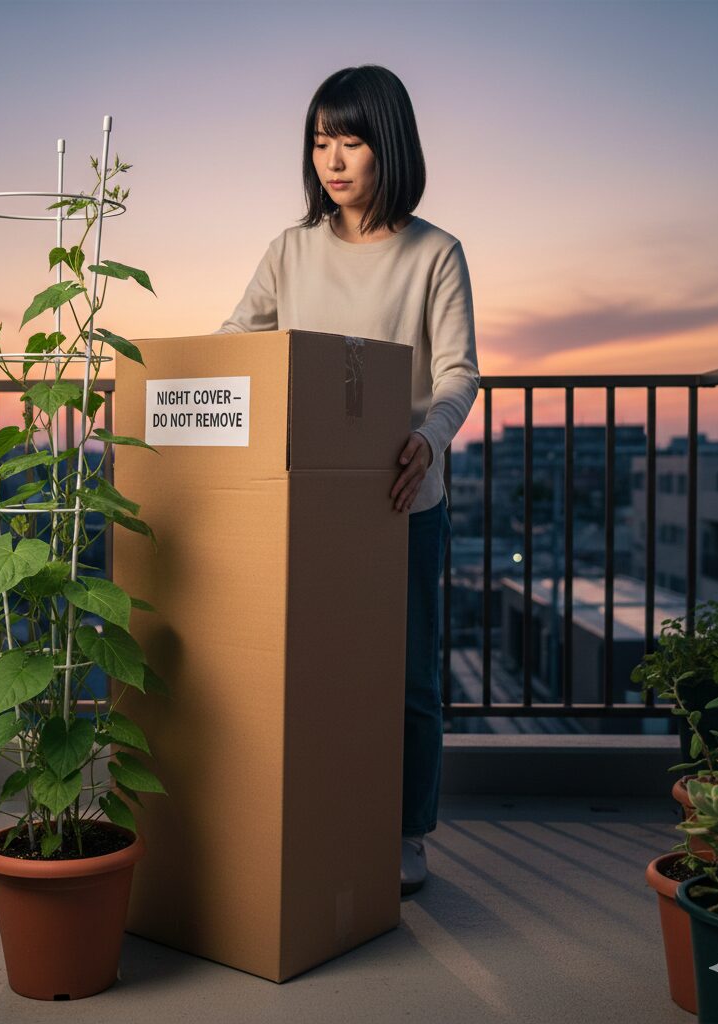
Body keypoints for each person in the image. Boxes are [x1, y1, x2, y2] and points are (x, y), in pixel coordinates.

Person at [212, 65, 480, 897]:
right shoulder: (288, 250)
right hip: (308, 498)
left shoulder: (436, 252)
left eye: (352, 140)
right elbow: (234, 343)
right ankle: (318, 817)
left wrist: (429, 441)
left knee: (410, 681)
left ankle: (407, 834)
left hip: (404, 499)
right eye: (321, 141)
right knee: (307, 668)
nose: (333, 159)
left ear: (388, 145)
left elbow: (459, 374)